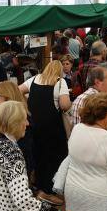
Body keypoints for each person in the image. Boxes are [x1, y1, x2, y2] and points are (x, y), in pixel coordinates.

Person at [18, 60, 70, 194]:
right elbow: (64, 105)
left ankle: (39, 186)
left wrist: (27, 105)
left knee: (38, 155)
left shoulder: (34, 79)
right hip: (53, 128)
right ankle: (51, 189)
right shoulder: (60, 82)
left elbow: (17, 90)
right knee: (55, 157)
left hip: (35, 126)